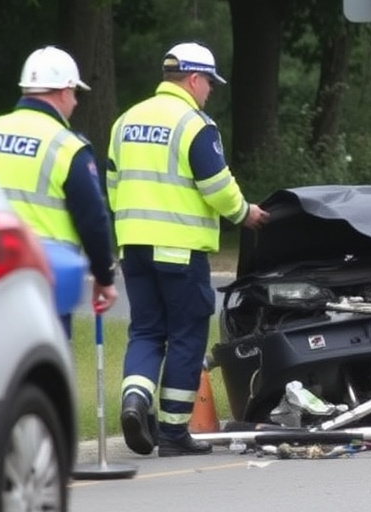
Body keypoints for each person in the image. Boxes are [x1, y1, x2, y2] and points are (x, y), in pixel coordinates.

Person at [107, 41, 269, 457]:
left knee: (145, 331)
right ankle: (173, 433)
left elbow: (113, 184)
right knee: (185, 336)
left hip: (134, 247)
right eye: (210, 83)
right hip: (180, 251)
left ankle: (135, 402)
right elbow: (216, 186)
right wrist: (244, 213)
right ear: (194, 79)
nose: (210, 91)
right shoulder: (194, 124)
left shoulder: (126, 120)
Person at [0, 46, 118, 337]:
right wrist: (104, 277)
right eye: (75, 94)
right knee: (40, 358)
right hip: (42, 276)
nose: (75, 102)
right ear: (64, 92)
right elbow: (93, 220)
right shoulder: (67, 147)